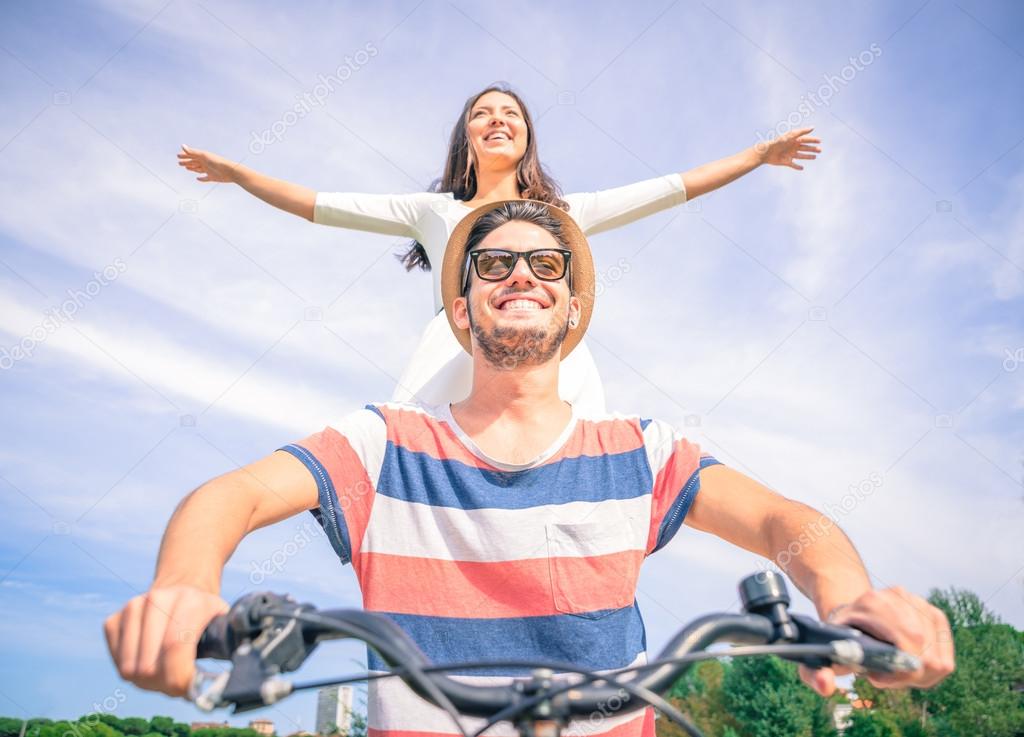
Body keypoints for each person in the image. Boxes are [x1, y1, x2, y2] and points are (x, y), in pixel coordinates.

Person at [105, 201, 953, 736]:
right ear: (462, 305)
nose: (521, 274)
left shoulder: (643, 448)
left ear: (572, 305)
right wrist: (185, 584)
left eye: (546, 265)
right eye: (495, 264)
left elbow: (783, 522)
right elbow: (235, 493)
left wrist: (845, 599)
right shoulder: (381, 443)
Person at [177, 83, 821, 412]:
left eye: (511, 114)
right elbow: (320, 205)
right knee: (414, 457)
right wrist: (240, 176)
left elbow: (670, 189)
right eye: (483, 113)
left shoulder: (562, 215)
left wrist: (757, 156)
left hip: (551, 346)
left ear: (525, 137)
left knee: (577, 454)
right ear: (467, 137)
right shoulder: (434, 212)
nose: (497, 120)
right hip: (451, 348)